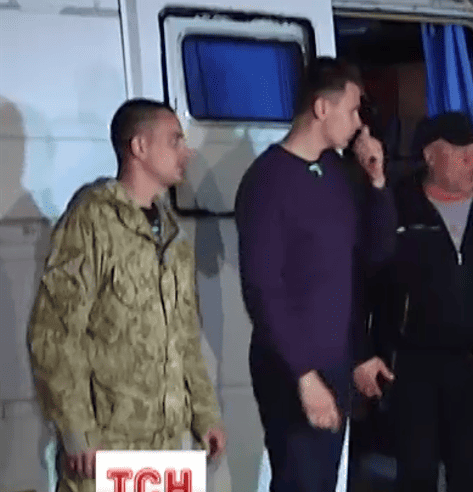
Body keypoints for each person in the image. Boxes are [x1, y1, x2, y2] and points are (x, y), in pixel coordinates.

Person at [27, 98, 227, 492]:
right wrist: (76, 429)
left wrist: (205, 414)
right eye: (174, 141)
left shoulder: (172, 234)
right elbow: (55, 332)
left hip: (164, 448)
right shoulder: (92, 221)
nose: (185, 152)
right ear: (139, 147)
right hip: (107, 446)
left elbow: (185, 335)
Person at [354, 111, 473, 492]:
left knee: (472, 477)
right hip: (412, 368)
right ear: (430, 156)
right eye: (460, 154)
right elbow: (363, 285)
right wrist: (363, 353)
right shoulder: (399, 205)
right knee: (416, 476)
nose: (472, 163)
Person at [235, 57, 396, 492]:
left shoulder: (338, 174)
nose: (359, 122)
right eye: (353, 110)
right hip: (290, 368)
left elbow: (374, 255)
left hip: (335, 362)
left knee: (323, 482)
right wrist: (304, 376)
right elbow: (262, 287)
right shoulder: (267, 180)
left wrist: (377, 182)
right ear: (322, 108)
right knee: (300, 481)